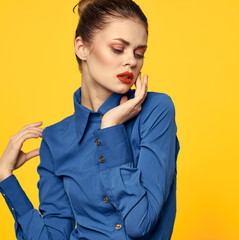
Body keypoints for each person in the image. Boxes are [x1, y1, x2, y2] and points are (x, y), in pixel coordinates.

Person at [0, 0, 180, 239]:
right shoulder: (55, 139)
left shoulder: (155, 111)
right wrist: (5, 177)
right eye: (118, 49)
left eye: (139, 53)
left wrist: (110, 128)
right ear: (82, 48)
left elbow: (140, 223)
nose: (132, 61)